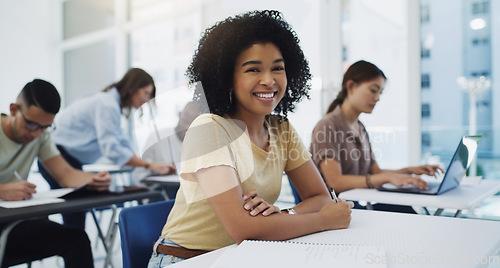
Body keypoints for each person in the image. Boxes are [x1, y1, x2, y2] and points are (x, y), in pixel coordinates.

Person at [148, 10, 353, 267]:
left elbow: (320, 197)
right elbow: (243, 229)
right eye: (253, 69)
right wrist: (324, 220)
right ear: (227, 78)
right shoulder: (209, 129)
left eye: (277, 68)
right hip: (185, 259)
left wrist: (283, 213)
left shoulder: (282, 129)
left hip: (241, 257)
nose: (269, 80)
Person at [38, 68, 176, 229]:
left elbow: (122, 145)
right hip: (56, 156)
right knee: (75, 214)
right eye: (145, 93)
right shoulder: (107, 104)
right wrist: (149, 165)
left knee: (76, 212)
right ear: (132, 88)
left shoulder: (113, 105)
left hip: (70, 158)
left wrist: (151, 164)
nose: (147, 100)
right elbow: (111, 149)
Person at [0, 79, 111, 267]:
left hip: (11, 223)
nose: (36, 134)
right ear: (13, 110)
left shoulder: (40, 136)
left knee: (77, 239)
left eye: (45, 127)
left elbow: (66, 174)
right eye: (31, 125)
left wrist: (95, 179)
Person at [309, 60, 442, 213]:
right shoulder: (327, 126)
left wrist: (411, 171)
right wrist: (387, 178)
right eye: (373, 90)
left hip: (355, 206)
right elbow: (335, 181)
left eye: (380, 93)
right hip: (334, 211)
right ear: (351, 86)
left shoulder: (360, 127)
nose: (378, 98)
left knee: (405, 210)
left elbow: (375, 172)